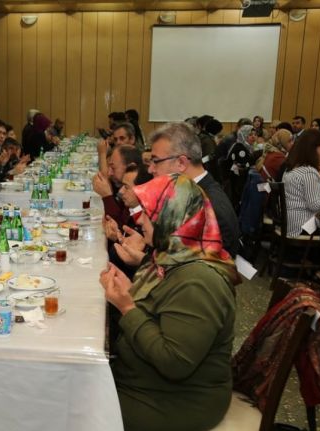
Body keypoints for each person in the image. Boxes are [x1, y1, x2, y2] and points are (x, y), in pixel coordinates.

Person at [100, 173, 238, 431]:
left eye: (148, 214)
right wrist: (134, 282)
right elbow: (161, 300)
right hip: (146, 384)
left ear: (172, 219)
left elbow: (174, 362)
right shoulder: (170, 257)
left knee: (73, 406)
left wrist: (127, 307)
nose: (139, 219)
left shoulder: (199, 282)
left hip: (173, 402)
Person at [144, 122, 240, 257]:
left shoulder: (208, 209)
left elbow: (197, 268)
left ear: (181, 163)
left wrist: (147, 260)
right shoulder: (192, 193)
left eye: (156, 161)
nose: (150, 169)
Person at [93, 145, 151, 225]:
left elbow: (120, 225)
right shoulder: (123, 187)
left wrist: (107, 196)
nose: (109, 173)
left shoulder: (137, 193)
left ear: (131, 166)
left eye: (113, 168)